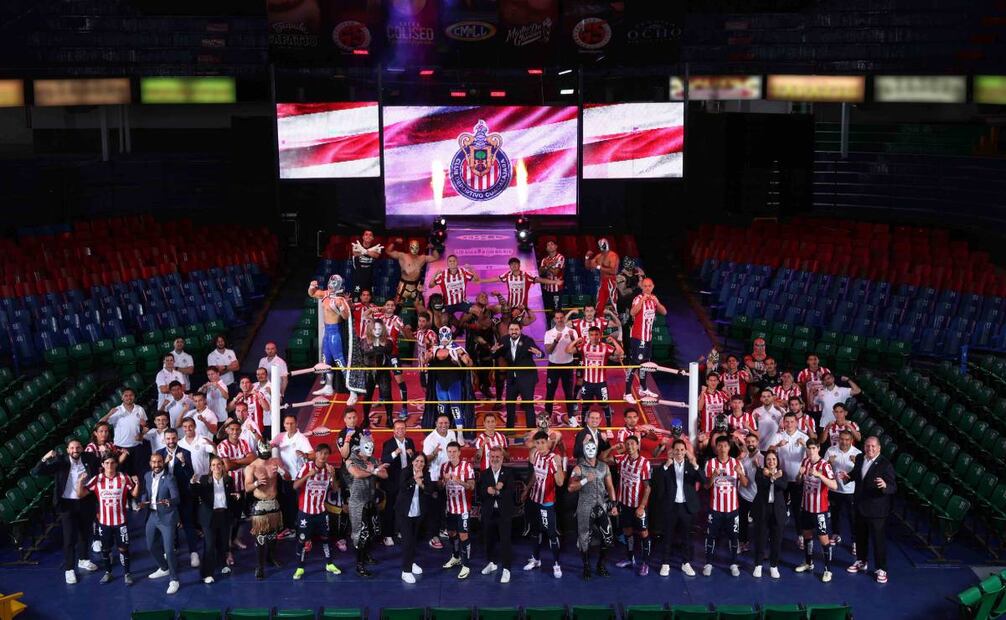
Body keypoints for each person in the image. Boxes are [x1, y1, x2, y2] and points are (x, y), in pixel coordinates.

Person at [32, 441, 99, 584]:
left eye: (78, 447)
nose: (75, 450)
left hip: (85, 502)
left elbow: (104, 464)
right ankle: (69, 569)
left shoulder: (89, 458)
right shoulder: (60, 461)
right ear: (68, 450)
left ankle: (83, 559)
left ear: (82, 449)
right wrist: (45, 458)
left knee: (85, 534)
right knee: (69, 537)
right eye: (72, 448)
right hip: (67, 504)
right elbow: (36, 472)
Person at [76, 453, 140, 585]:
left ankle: (127, 574)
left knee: (123, 549)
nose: (109, 466)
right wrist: (80, 482)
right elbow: (80, 494)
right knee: (106, 549)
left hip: (120, 522)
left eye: (112, 463)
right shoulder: (97, 479)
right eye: (106, 463)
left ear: (116, 464)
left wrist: (137, 483)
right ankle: (108, 573)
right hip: (104, 523)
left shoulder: (123, 477)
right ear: (102, 465)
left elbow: (134, 493)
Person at [842, 436, 896, 584]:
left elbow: (893, 487)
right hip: (860, 506)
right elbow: (856, 474)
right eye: (867, 446)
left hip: (877, 511)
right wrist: (847, 477)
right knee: (860, 537)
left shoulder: (885, 465)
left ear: (879, 448)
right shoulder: (860, 458)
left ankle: (881, 569)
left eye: (873, 446)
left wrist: (885, 486)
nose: (870, 449)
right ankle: (861, 561)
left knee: (878, 541)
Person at [652, 438, 704, 577]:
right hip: (671, 506)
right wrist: (667, 464)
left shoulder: (690, 466)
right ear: (672, 451)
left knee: (686, 537)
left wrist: (696, 465)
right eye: (677, 450)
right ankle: (665, 563)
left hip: (686, 508)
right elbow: (657, 481)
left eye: (682, 450)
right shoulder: (666, 466)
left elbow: (704, 481)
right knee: (668, 536)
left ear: (686, 451)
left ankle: (686, 563)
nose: (679, 452)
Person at [568, 436, 617, 580]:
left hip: (601, 506)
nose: (590, 451)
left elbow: (610, 486)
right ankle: (586, 566)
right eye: (587, 448)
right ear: (584, 450)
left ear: (596, 450)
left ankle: (601, 565)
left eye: (593, 448)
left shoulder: (604, 466)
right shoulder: (579, 468)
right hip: (585, 507)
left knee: (608, 538)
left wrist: (613, 504)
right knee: (584, 539)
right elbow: (570, 487)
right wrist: (584, 480)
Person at [291, 444, 341, 579]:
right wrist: (308, 475)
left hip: (321, 511)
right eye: (320, 453)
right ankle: (300, 567)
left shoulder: (329, 469)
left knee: (326, 538)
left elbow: (335, 489)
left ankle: (329, 564)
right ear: (316, 454)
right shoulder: (307, 467)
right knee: (302, 540)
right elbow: (295, 485)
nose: (323, 456)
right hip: (305, 512)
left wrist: (333, 476)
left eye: (326, 454)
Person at [702, 435, 748, 577]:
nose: (722, 449)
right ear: (716, 448)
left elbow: (745, 484)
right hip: (715, 508)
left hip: (732, 509)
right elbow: (706, 486)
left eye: (725, 446)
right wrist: (713, 477)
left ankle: (734, 563)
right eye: (720, 446)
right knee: (711, 536)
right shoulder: (710, 464)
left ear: (729, 447)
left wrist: (740, 474)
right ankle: (708, 563)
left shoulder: (736, 463)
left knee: (734, 538)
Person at [522, 430, 566, 578]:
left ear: (547, 442)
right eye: (538, 443)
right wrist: (527, 490)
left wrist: (559, 466)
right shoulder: (536, 455)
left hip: (547, 502)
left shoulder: (553, 459)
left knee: (551, 534)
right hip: (534, 500)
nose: (540, 445)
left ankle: (556, 564)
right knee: (535, 532)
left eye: (542, 442)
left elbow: (560, 483)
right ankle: (536, 559)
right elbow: (535, 473)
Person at [794, 439, 838, 582]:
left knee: (823, 538)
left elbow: (834, 485)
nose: (811, 451)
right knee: (807, 535)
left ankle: (828, 570)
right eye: (809, 448)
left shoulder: (825, 465)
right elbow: (798, 482)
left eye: (814, 448)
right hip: (806, 507)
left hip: (820, 509)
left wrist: (820, 475)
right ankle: (808, 563)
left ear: (818, 448)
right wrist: (799, 475)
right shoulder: (805, 462)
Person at [307, 275, 356, 404]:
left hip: (335, 332)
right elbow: (312, 293)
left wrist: (344, 307)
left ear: (339, 285)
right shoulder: (325, 294)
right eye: (330, 281)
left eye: (334, 283)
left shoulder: (340, 300)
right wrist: (311, 286)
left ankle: (352, 391)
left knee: (340, 361)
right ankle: (328, 386)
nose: (331, 284)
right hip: (327, 331)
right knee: (326, 359)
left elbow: (346, 317)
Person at [192, 456, 240, 583]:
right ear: (210, 467)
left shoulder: (228, 480)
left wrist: (236, 496)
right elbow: (196, 492)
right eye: (213, 465)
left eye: (219, 464)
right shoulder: (204, 480)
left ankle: (223, 564)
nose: (216, 467)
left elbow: (231, 496)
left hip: (224, 515)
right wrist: (192, 483)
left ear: (223, 466)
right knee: (209, 545)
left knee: (223, 543)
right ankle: (206, 573)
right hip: (209, 517)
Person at [345, 434, 389, 576]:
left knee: (371, 532)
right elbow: (356, 474)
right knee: (360, 534)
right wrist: (373, 470)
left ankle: (366, 555)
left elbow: (385, 475)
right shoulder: (351, 460)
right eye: (368, 445)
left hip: (370, 500)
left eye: (372, 445)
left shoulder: (373, 459)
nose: (371, 448)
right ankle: (359, 564)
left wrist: (376, 469)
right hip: (358, 503)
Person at [157, 428, 199, 569]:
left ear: (177, 438)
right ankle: (170, 551)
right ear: (164, 439)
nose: (171, 441)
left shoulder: (185, 453)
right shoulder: (159, 454)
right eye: (168, 439)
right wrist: (164, 464)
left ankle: (193, 552)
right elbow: (156, 475)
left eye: (173, 438)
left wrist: (183, 463)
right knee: (168, 525)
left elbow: (190, 474)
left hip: (183, 495)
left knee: (188, 523)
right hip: (166, 497)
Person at [139, 452, 180, 594]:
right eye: (153, 462)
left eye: (159, 462)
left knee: (168, 550)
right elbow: (146, 492)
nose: (156, 465)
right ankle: (164, 568)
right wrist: (143, 501)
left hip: (167, 517)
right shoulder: (146, 476)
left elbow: (176, 498)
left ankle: (174, 579)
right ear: (150, 463)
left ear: (163, 462)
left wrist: (169, 501)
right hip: (152, 516)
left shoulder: (170, 478)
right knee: (150, 546)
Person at [567, 327, 623, 426]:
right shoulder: (583, 346)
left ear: (600, 335)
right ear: (588, 336)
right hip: (587, 383)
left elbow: (620, 352)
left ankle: (608, 428)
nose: (594, 337)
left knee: (605, 406)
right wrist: (577, 340)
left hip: (601, 383)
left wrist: (613, 341)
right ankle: (584, 427)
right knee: (585, 406)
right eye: (592, 335)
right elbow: (568, 350)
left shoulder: (605, 347)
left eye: (596, 334)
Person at [245, 440, 285, 579]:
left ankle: (271, 557)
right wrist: (256, 483)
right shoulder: (252, 467)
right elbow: (247, 487)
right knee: (260, 538)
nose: (266, 456)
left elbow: (288, 477)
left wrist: (281, 471)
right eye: (264, 454)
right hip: (260, 504)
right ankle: (259, 566)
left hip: (274, 503)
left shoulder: (275, 462)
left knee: (273, 536)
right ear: (258, 451)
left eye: (268, 453)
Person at [270, 414, 315, 539]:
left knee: (297, 505)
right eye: (287, 423)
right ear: (284, 425)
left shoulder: (301, 439)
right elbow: (269, 446)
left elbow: (313, 455)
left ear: (296, 424)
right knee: (286, 504)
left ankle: (300, 530)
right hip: (285, 477)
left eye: (292, 423)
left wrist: (304, 455)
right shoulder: (280, 437)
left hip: (298, 478)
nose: (289, 426)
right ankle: (289, 529)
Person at [216, 419, 255, 560]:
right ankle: (227, 550)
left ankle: (234, 539)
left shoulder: (243, 443)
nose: (234, 432)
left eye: (237, 430)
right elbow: (227, 467)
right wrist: (241, 460)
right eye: (232, 429)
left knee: (238, 517)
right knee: (227, 519)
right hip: (228, 488)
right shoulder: (222, 446)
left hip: (242, 485)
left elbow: (252, 458)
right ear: (227, 430)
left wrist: (234, 461)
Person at [623, 278, 666, 405]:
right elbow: (632, 312)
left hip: (648, 337)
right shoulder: (637, 298)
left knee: (645, 364)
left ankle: (643, 388)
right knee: (635, 364)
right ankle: (627, 392)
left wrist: (657, 303)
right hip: (638, 337)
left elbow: (664, 312)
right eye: (645, 286)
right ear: (642, 287)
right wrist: (642, 301)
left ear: (653, 287)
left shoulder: (653, 299)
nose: (647, 288)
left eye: (649, 286)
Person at [492, 321, 543, 429]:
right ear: (508, 330)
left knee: (528, 404)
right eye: (511, 329)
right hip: (512, 378)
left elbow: (541, 353)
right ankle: (509, 429)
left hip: (527, 377)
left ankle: (531, 430)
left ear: (520, 330)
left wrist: (538, 353)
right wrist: (493, 351)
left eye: (516, 330)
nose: (514, 332)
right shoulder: (504, 340)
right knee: (510, 403)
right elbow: (496, 355)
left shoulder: (527, 340)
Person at [614, 436, 652, 575]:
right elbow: (603, 458)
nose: (629, 446)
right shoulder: (622, 460)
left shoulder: (644, 463)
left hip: (638, 506)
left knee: (643, 533)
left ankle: (645, 563)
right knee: (627, 532)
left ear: (637, 446)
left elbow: (648, 488)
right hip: (624, 504)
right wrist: (613, 448)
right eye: (627, 444)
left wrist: (642, 506)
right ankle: (630, 558)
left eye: (632, 444)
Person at [478, 446, 516, 583]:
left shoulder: (509, 473)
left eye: (497, 457)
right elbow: (480, 494)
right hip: (489, 512)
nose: (495, 459)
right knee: (488, 539)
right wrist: (487, 491)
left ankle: (506, 569)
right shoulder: (484, 473)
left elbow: (512, 493)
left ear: (502, 458)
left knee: (505, 541)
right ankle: (492, 563)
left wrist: (498, 492)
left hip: (503, 513)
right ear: (489, 458)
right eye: (492, 457)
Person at [770, 413, 809, 546]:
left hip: (798, 479)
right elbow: (769, 451)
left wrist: (805, 446)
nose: (789, 424)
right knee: (778, 509)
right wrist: (777, 446)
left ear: (797, 423)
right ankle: (775, 535)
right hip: (782, 479)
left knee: (798, 510)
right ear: (783, 423)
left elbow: (812, 455)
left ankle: (800, 536)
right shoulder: (778, 436)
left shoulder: (804, 437)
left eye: (792, 421)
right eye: (787, 421)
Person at [427, 326, 474, 436]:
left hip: (454, 382)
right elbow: (426, 358)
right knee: (441, 408)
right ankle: (441, 433)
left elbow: (469, 362)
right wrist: (427, 356)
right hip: (440, 382)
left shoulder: (456, 348)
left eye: (446, 335)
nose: (444, 337)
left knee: (456, 408)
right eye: (442, 335)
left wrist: (464, 359)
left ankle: (460, 435)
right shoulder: (434, 348)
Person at [439, 441, 476, 579]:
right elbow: (439, 486)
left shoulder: (467, 466)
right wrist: (443, 481)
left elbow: (472, 486)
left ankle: (466, 565)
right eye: (449, 452)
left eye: (455, 451)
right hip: (450, 508)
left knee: (463, 535)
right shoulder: (444, 467)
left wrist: (459, 481)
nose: (452, 454)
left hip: (463, 508)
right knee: (451, 533)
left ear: (459, 452)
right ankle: (455, 557)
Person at [397, 453, 435, 583]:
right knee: (407, 541)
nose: (419, 464)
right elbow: (402, 487)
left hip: (418, 512)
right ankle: (405, 571)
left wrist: (422, 484)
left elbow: (430, 490)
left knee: (413, 540)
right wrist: (414, 479)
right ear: (412, 462)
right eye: (417, 461)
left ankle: (411, 563)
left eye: (422, 462)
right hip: (404, 513)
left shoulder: (427, 474)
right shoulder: (405, 472)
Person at [423, 413, 459, 549]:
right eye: (441, 423)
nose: (443, 425)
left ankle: (443, 529)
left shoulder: (451, 434)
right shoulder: (430, 439)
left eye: (446, 423)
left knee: (445, 505)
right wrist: (434, 453)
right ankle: (433, 536)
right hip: (434, 478)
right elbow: (424, 461)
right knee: (434, 509)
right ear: (436, 424)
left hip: (448, 477)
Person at [752, 450, 788, 579]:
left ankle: (774, 566)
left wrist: (773, 477)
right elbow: (761, 485)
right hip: (762, 510)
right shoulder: (760, 472)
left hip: (777, 511)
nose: (771, 461)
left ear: (777, 461)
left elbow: (783, 486)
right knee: (760, 538)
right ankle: (758, 565)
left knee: (776, 540)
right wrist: (772, 477)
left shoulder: (782, 473)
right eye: (768, 459)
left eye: (773, 459)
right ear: (765, 461)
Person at [381, 419, 416, 546]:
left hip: (407, 479)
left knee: (406, 507)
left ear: (406, 429)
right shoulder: (388, 443)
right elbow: (384, 459)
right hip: (393, 481)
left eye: (402, 428)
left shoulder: (410, 441)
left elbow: (415, 460)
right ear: (394, 430)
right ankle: (388, 535)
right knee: (390, 508)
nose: (400, 431)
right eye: (398, 428)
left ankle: (402, 531)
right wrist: (395, 453)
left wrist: (412, 455)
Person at [375, 299, 410, 421]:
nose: (390, 307)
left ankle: (405, 408)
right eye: (387, 305)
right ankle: (381, 398)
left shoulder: (397, 319)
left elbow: (406, 336)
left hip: (393, 354)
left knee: (400, 381)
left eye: (392, 305)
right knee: (379, 376)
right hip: (380, 353)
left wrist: (401, 328)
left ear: (395, 308)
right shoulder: (378, 317)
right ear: (384, 306)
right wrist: (377, 309)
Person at [825, 430, 861, 552]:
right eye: (842, 439)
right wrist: (829, 462)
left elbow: (863, 474)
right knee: (835, 514)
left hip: (851, 491)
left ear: (851, 440)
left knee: (853, 517)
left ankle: (855, 541)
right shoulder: (831, 450)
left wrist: (857, 463)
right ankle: (836, 534)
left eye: (847, 439)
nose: (844, 442)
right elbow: (823, 469)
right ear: (839, 439)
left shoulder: (858, 454)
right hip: (835, 489)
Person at [99, 388, 147, 475]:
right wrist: (109, 413)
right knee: (121, 473)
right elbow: (100, 423)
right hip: (120, 447)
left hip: (136, 447)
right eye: (126, 395)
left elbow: (145, 427)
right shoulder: (117, 410)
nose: (129, 397)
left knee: (137, 473)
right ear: (122, 398)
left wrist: (142, 433)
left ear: (134, 397)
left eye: (131, 395)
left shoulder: (140, 409)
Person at [360, 318, 395, 428]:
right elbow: (364, 351)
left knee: (387, 395)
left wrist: (375, 349)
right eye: (375, 328)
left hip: (383, 371)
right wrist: (377, 349)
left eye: (380, 328)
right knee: (367, 396)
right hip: (368, 371)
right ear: (371, 329)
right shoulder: (364, 340)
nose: (377, 331)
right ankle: (365, 419)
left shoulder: (388, 340)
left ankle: (389, 418)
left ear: (383, 329)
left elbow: (388, 349)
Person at [544, 310, 577, 424]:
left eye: (561, 317)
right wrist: (556, 341)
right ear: (554, 319)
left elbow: (576, 350)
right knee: (550, 392)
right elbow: (548, 351)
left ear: (564, 318)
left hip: (568, 365)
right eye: (557, 318)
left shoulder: (572, 332)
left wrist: (573, 339)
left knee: (569, 392)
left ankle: (571, 417)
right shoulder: (549, 333)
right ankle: (547, 418)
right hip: (553, 366)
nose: (559, 320)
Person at [387, 237, 440, 305]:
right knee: (397, 306)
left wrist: (433, 247)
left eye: (416, 247)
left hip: (415, 286)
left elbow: (435, 257)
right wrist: (394, 242)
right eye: (412, 247)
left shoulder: (422, 258)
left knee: (420, 306)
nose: (414, 249)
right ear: (409, 247)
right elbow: (388, 251)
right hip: (403, 285)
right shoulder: (402, 256)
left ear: (419, 248)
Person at [737, 434, 763, 553]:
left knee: (760, 524)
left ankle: (761, 548)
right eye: (748, 442)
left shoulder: (762, 458)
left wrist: (759, 468)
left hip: (757, 496)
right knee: (742, 521)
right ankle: (742, 542)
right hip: (743, 494)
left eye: (753, 441)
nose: (750, 444)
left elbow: (766, 476)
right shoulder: (743, 457)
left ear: (757, 442)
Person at [585, 238, 619, 315]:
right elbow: (588, 267)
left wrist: (598, 267)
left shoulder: (613, 255)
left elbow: (614, 271)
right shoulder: (599, 256)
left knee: (614, 303)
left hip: (611, 281)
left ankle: (618, 322)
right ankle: (599, 321)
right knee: (599, 305)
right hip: (603, 281)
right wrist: (587, 258)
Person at [797, 354, 831, 426]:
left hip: (824, 406)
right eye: (811, 359)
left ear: (818, 360)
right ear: (807, 362)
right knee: (812, 426)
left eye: (815, 359)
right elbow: (799, 389)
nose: (813, 361)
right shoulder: (802, 373)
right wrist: (805, 382)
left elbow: (831, 385)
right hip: (809, 407)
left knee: (824, 427)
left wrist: (823, 379)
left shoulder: (825, 371)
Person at [350, 230, 383, 300]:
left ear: (373, 238)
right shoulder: (356, 245)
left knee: (369, 303)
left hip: (370, 281)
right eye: (366, 234)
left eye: (370, 235)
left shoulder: (377, 248)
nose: (368, 236)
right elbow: (355, 253)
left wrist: (363, 250)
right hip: (357, 280)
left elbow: (376, 255)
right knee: (355, 302)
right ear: (363, 237)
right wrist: (369, 251)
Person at [539, 240, 566, 317]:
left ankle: (557, 327)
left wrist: (547, 266)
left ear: (556, 246)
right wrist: (550, 265)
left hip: (557, 289)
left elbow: (555, 272)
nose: (550, 246)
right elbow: (541, 272)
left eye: (552, 244)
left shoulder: (560, 257)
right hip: (547, 289)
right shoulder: (544, 259)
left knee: (557, 311)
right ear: (546, 248)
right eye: (548, 245)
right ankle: (549, 327)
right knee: (548, 311)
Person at [753, 389, 785, 453]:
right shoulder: (756, 411)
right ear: (761, 399)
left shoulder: (780, 410)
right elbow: (753, 429)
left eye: (768, 396)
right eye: (764, 397)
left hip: (775, 446)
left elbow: (785, 427)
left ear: (773, 397)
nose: (766, 398)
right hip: (761, 447)